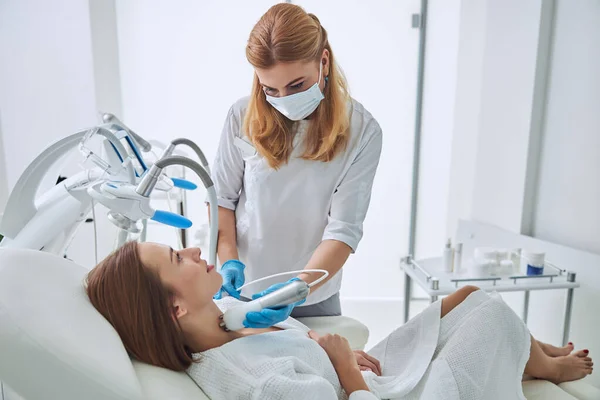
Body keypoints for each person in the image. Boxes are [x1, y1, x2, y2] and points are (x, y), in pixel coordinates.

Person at [86, 242, 593, 400]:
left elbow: (281, 326)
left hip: (366, 372)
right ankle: (543, 367)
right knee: (487, 314)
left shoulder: (221, 319)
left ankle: (538, 356)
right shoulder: (261, 385)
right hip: (378, 393)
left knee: (467, 295)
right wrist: (344, 367)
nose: (195, 249)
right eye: (179, 257)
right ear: (175, 308)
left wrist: (341, 354)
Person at [210, 3, 383, 326]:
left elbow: (343, 230)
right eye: (270, 89)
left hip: (313, 294)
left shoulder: (362, 131)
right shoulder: (241, 116)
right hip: (244, 288)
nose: (283, 99)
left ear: (324, 62)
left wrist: (298, 287)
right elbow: (222, 200)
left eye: (297, 85)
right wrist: (229, 263)